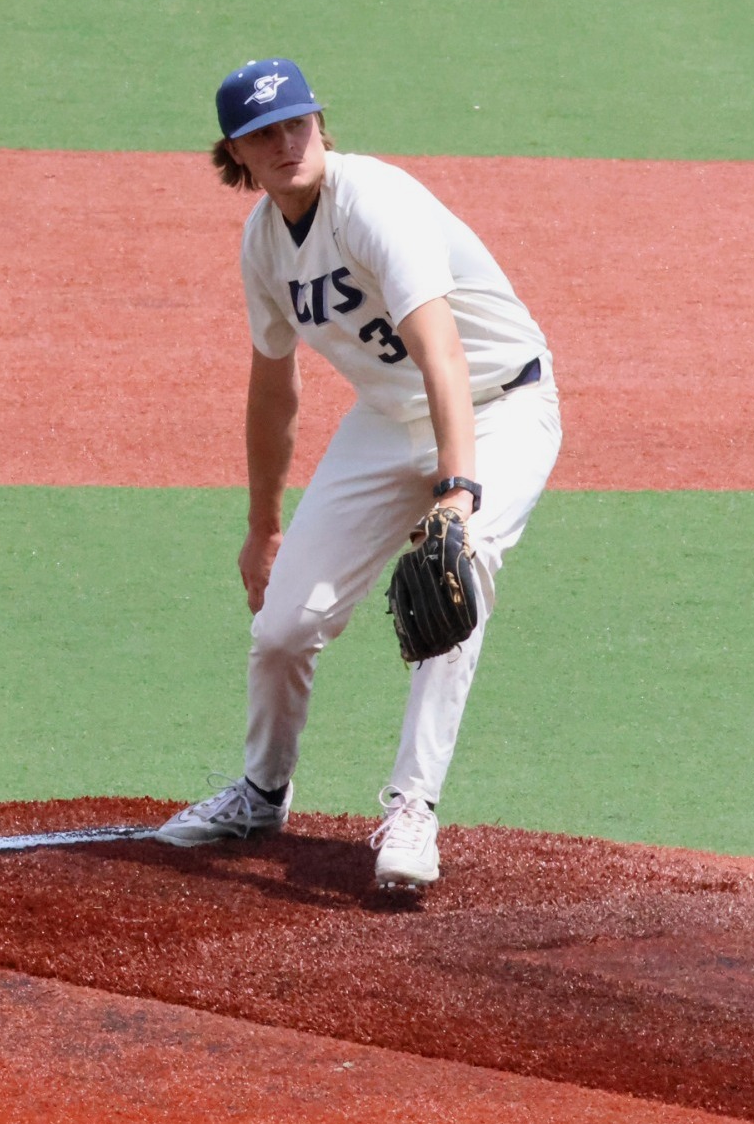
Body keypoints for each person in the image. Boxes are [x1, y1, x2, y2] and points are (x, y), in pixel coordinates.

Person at [152, 58, 562, 889]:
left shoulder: (374, 201)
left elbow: (440, 349)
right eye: (262, 134)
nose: (285, 142)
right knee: (281, 628)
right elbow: (275, 388)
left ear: (320, 125)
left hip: (498, 405)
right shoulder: (264, 243)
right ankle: (262, 791)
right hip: (386, 419)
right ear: (236, 152)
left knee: (459, 572)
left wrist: (458, 489)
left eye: (296, 123)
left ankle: (413, 809)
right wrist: (263, 525)